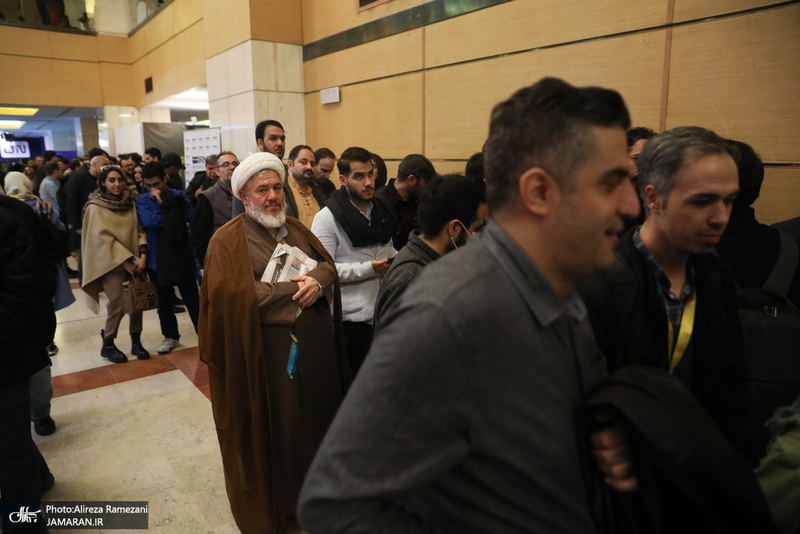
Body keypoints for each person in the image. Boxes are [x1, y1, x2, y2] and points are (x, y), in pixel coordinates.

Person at [298, 77, 640, 534]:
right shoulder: (446, 314)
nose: (631, 204)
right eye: (610, 183)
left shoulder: (561, 290)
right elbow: (336, 508)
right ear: (538, 191)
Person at [199, 152, 351, 534]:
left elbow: (327, 266)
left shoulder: (296, 229)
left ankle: (317, 495)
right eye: (262, 190)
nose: (272, 196)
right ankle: (284, 506)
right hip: (265, 361)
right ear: (244, 196)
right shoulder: (225, 241)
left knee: (313, 426)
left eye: (277, 188)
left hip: (313, 358)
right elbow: (234, 296)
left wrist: (317, 281)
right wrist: (295, 291)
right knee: (281, 432)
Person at [577, 126, 747, 448]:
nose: (721, 217)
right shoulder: (600, 283)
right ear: (653, 198)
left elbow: (731, 392)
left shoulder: (715, 276)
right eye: (703, 201)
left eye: (729, 201)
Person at [311, 146, 397, 375]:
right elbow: (324, 270)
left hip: (384, 310)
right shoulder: (326, 218)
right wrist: (369, 268)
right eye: (359, 176)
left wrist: (399, 258)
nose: (368, 182)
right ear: (343, 180)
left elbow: (387, 248)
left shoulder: (381, 209)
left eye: (370, 174)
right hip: (350, 320)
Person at [0, 194, 58, 532]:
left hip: (10, 351)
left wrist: (42, 299)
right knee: (10, 437)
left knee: (9, 445)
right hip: (17, 340)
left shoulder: (10, 215)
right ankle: (41, 476)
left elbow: (23, 287)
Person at [374, 173, 487, 331]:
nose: (481, 237)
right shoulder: (410, 282)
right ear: (454, 228)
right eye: (477, 229)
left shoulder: (433, 263)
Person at [80, 166, 150, 363]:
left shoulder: (130, 203)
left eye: (119, 179)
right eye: (111, 180)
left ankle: (136, 341)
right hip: (111, 264)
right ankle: (108, 343)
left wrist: (143, 254)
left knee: (137, 301)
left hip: (135, 261)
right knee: (117, 303)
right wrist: (125, 260)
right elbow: (101, 239)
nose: (117, 184)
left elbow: (139, 229)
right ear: (103, 183)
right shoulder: (95, 207)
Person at [136, 161, 199, 354]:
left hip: (181, 254)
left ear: (165, 179)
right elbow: (149, 221)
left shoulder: (178, 195)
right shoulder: (142, 199)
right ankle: (170, 336)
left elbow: (189, 215)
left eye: (156, 184)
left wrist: (165, 203)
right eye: (148, 185)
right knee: (164, 303)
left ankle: (205, 333)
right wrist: (172, 214)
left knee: (192, 299)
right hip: (157, 258)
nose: (152, 189)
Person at [375, 154, 437, 250]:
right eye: (427, 183)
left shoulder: (419, 199)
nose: (428, 188)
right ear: (411, 180)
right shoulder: (379, 202)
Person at [232, 119, 288, 218]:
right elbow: (239, 217)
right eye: (273, 138)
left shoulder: (289, 172)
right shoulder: (248, 173)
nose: (280, 143)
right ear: (260, 143)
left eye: (282, 139)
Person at [191, 151, 237, 267]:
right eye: (226, 165)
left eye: (235, 164)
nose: (232, 167)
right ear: (217, 171)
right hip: (219, 259)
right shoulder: (208, 197)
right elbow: (199, 236)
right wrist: (206, 264)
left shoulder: (245, 193)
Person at [285, 144, 326, 229]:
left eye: (312, 164)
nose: (309, 167)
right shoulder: (281, 190)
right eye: (303, 162)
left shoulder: (317, 193)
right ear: (290, 164)